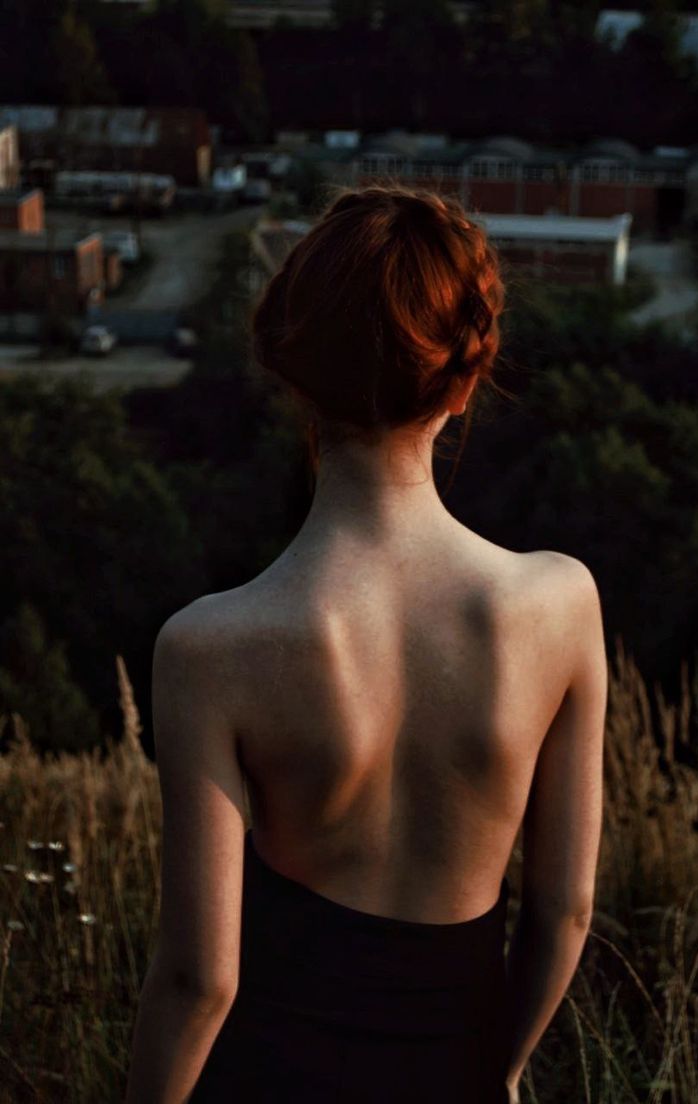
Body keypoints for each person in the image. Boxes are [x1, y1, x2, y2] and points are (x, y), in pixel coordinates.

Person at [124, 184, 608, 1104]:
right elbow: (564, 911)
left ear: (294, 374)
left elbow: (200, 981)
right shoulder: (562, 603)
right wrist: (497, 1074)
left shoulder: (209, 649)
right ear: (466, 379)